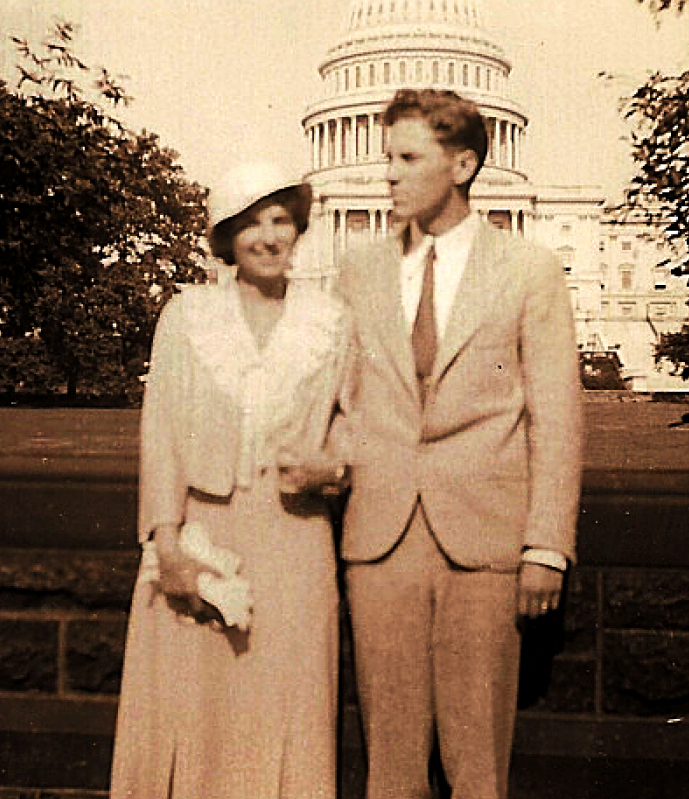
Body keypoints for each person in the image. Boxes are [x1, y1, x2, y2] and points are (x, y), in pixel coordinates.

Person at [334, 89, 582, 799]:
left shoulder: (528, 269)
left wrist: (546, 545)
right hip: (379, 539)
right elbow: (339, 398)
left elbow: (556, 416)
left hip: (487, 541)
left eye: (409, 158)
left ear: (463, 165)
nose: (388, 174)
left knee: (477, 769)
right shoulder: (359, 269)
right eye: (388, 157)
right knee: (390, 769)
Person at [109, 158, 351, 799]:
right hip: (203, 535)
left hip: (296, 537)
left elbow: (359, 424)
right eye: (251, 224)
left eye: (281, 220)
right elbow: (161, 434)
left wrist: (331, 466)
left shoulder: (331, 320)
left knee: (285, 702)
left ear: (299, 228)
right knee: (195, 707)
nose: (269, 238)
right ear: (226, 236)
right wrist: (166, 545)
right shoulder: (187, 316)